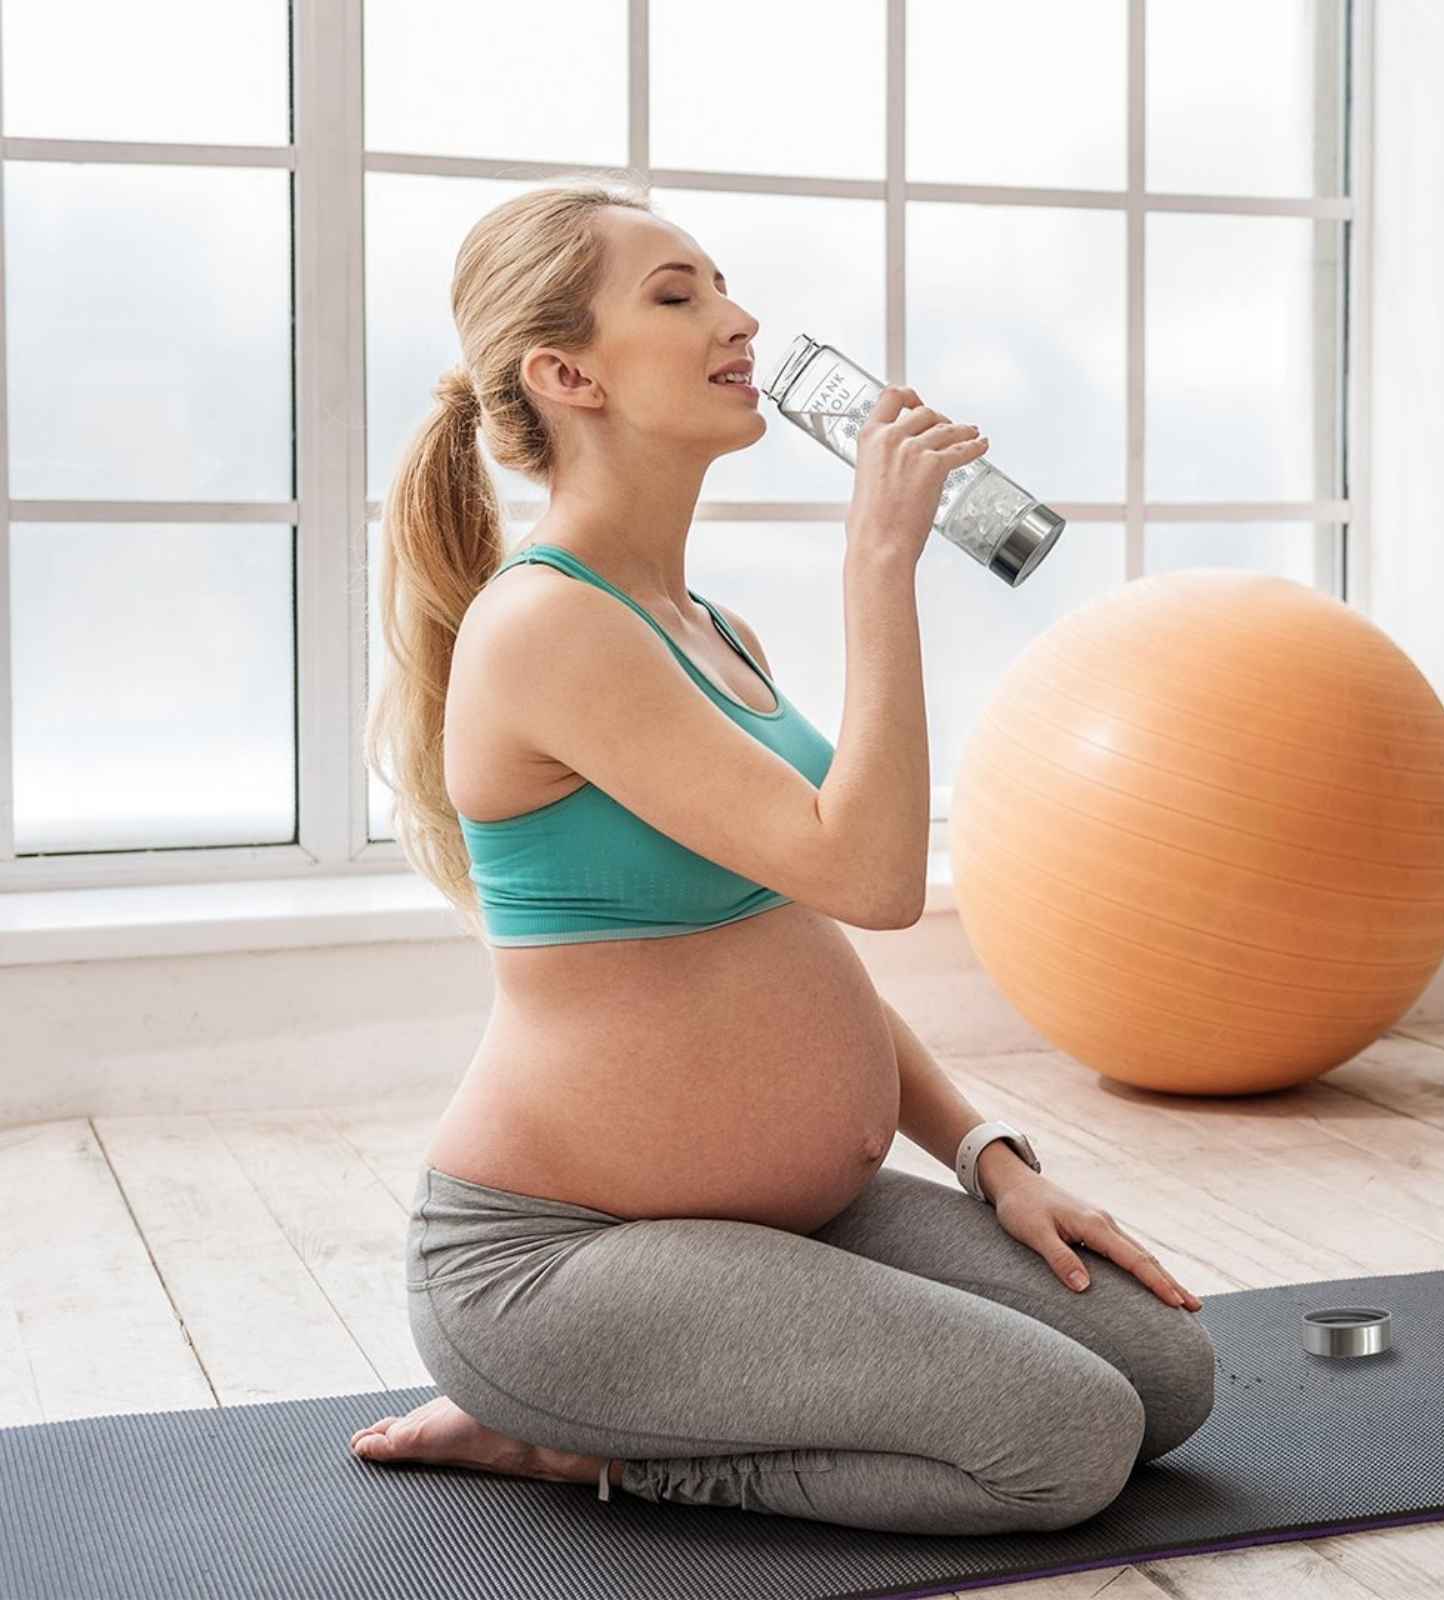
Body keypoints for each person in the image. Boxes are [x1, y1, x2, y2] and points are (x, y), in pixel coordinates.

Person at [353, 171, 1215, 1535]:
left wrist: (991, 1155)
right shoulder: (547, 628)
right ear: (565, 371)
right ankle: (570, 1443)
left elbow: (795, 936)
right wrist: (880, 563)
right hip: (564, 1263)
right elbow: (871, 882)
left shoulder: (710, 629)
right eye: (679, 295)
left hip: (773, 1225)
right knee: (1066, 1445)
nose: (738, 320)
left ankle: (652, 1399)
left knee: (1169, 1379)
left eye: (726, 286)